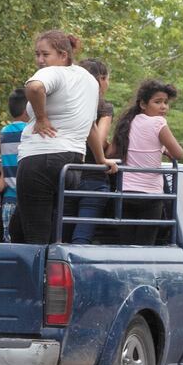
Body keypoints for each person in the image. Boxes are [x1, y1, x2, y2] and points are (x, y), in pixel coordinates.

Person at [11, 30, 117, 245]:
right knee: (27, 227)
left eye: (45, 54)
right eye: (37, 54)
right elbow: (90, 126)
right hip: (72, 164)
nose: (40, 60)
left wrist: (41, 118)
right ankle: (45, 273)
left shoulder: (55, 72)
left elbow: (34, 87)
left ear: (63, 55)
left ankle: (38, 277)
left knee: (35, 236)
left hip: (40, 158)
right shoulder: (89, 80)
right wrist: (100, 160)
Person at [108, 80, 183, 245]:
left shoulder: (127, 123)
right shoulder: (158, 123)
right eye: (158, 102)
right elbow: (179, 153)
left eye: (165, 102)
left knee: (125, 244)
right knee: (145, 245)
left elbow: (111, 152)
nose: (163, 106)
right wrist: (163, 149)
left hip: (125, 193)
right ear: (143, 104)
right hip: (151, 196)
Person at [70, 58, 114, 244]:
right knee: (82, 237)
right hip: (93, 176)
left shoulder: (70, 103)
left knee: (60, 233)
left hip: (69, 174)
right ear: (101, 79)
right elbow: (100, 138)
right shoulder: (104, 108)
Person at [0, 89, 29, 242]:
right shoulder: (30, 132)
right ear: (28, 110)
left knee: (9, 244)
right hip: (27, 199)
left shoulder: (4, 132)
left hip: (9, 198)